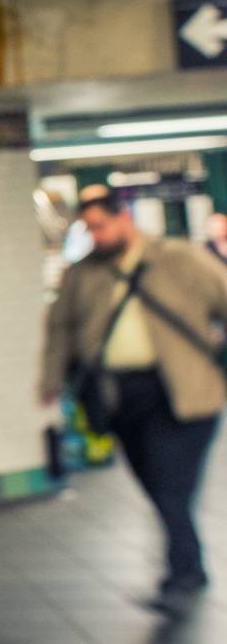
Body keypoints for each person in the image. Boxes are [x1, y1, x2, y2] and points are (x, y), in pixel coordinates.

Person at [40, 186, 227, 617]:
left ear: (123, 218)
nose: (97, 236)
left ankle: (182, 574)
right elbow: (61, 330)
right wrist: (51, 380)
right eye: (89, 230)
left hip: (182, 393)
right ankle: (189, 568)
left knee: (168, 483)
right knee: (156, 484)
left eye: (101, 226)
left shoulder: (177, 259)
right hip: (121, 397)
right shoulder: (82, 274)